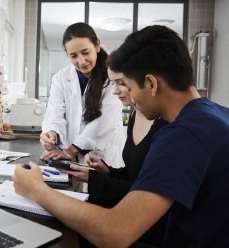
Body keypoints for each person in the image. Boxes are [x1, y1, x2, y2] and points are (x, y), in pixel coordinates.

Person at [13, 25, 229, 247]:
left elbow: (114, 233)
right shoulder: (214, 116)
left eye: (128, 86)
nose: (125, 96)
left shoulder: (184, 135)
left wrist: (36, 189)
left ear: (151, 84)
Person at [63, 67, 168, 247]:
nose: (114, 91)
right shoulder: (135, 114)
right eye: (113, 83)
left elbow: (147, 194)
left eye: (122, 83)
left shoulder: (167, 128)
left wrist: (95, 179)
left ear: (148, 82)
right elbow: (137, 174)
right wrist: (108, 171)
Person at [40, 22, 125, 169]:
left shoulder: (112, 77)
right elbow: (55, 112)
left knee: (100, 190)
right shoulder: (61, 78)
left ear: (97, 45)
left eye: (86, 52)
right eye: (73, 56)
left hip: (103, 156)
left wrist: (70, 151)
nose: (81, 61)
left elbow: (103, 122)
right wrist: (51, 133)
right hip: (70, 156)